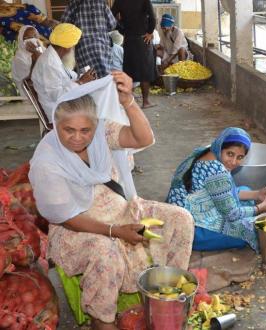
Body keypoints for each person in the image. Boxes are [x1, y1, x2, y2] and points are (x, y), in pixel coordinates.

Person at [29, 71, 194, 330]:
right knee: (105, 253)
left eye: (85, 130)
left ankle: (165, 293)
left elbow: (144, 138)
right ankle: (102, 320)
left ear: (95, 125)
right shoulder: (47, 161)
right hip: (78, 226)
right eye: (68, 129)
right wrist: (114, 232)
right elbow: (68, 218)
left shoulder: (102, 133)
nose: (77, 137)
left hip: (120, 210)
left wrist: (128, 100)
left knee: (181, 219)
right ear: (54, 124)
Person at [166, 128, 266, 251]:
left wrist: (257, 195)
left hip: (184, 211)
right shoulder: (217, 172)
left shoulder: (204, 153)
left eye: (240, 157)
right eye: (230, 154)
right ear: (221, 147)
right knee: (254, 229)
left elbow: (222, 191)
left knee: (245, 189)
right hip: (193, 230)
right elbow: (231, 215)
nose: (233, 162)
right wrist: (261, 208)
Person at [31, 23, 96, 121]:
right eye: (74, 45)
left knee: (98, 100)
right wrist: (81, 82)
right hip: (58, 111)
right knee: (98, 109)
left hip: (65, 105)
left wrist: (83, 77)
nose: (74, 48)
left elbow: (66, 77)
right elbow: (57, 96)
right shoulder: (49, 63)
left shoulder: (53, 56)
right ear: (67, 47)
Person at [111, 0, 157, 109]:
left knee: (129, 70)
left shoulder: (119, 1)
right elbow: (153, 18)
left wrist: (122, 30)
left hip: (129, 39)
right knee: (145, 71)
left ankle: (129, 102)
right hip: (143, 39)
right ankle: (145, 101)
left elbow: (111, 17)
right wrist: (150, 32)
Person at [61, 0, 117, 78]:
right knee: (106, 77)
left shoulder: (74, 3)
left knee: (87, 78)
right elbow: (112, 24)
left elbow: (64, 25)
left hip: (83, 48)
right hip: (102, 46)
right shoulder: (101, 2)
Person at [11, 25, 45, 96]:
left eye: (35, 37)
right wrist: (36, 57)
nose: (33, 40)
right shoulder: (19, 58)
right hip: (29, 98)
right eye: (29, 38)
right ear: (21, 40)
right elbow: (29, 82)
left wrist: (38, 53)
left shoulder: (43, 51)